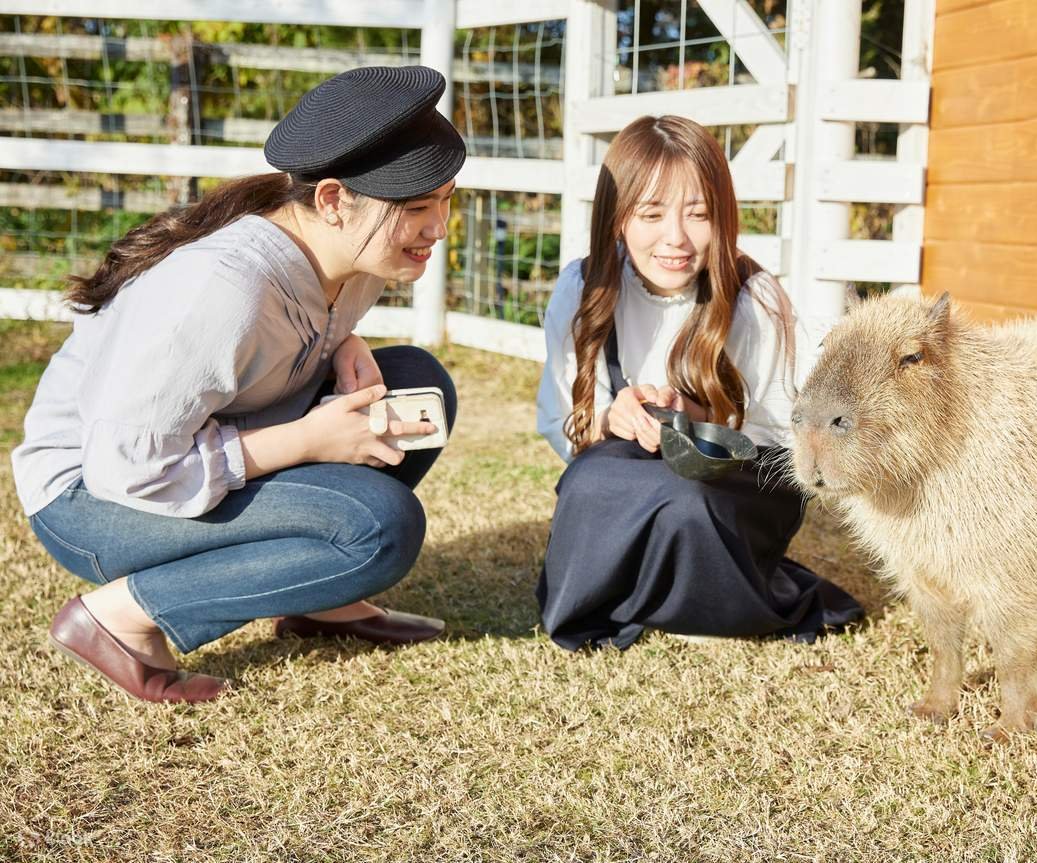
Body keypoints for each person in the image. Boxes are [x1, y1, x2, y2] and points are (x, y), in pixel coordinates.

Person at [12, 66, 466, 703]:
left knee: (419, 384)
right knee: (380, 528)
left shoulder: (351, 256)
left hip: (192, 452)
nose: (438, 228)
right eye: (418, 208)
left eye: (446, 199)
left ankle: (317, 602)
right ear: (333, 201)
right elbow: (129, 469)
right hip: (92, 500)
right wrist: (308, 441)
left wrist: (343, 344)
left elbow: (297, 329)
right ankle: (119, 618)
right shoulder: (217, 290)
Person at [535, 115, 863, 650]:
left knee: (689, 495)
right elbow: (559, 424)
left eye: (699, 214)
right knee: (588, 482)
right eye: (651, 214)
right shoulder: (582, 286)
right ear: (617, 218)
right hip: (633, 474)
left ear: (723, 217)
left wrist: (703, 421)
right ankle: (655, 595)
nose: (677, 240)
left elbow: (787, 444)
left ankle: (689, 598)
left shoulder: (753, 298)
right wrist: (612, 418)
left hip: (732, 484)